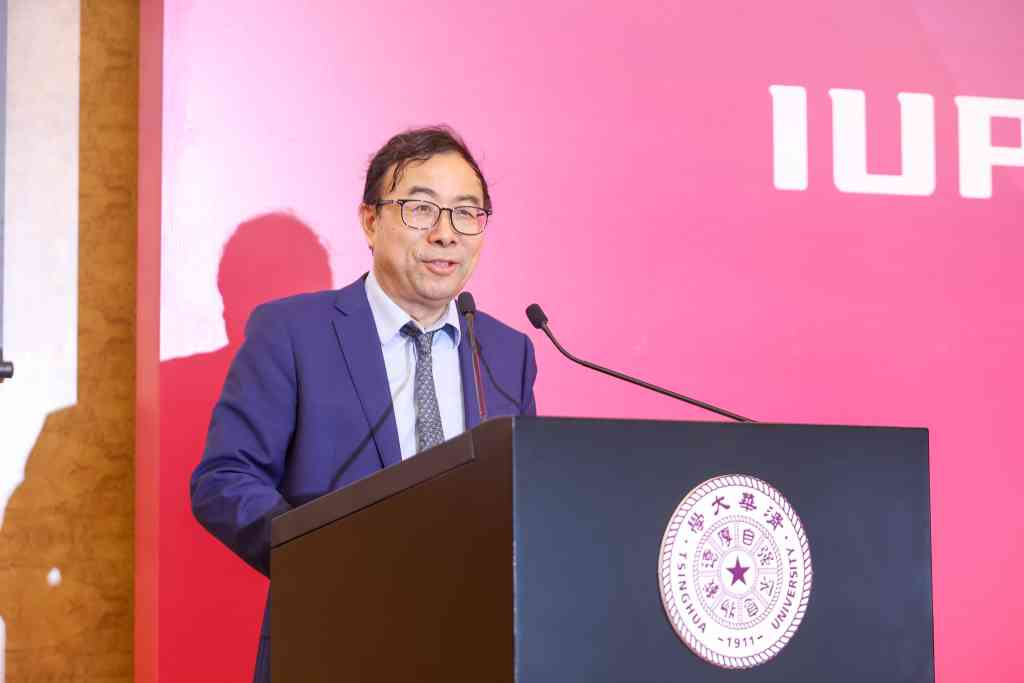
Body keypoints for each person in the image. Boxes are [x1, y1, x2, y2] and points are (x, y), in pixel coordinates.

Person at [190, 126, 538, 683]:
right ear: (370, 221)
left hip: (479, 647)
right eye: (421, 209)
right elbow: (225, 478)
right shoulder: (292, 333)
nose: (445, 234)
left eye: (465, 213)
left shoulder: (505, 350)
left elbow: (526, 498)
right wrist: (321, 556)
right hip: (333, 641)